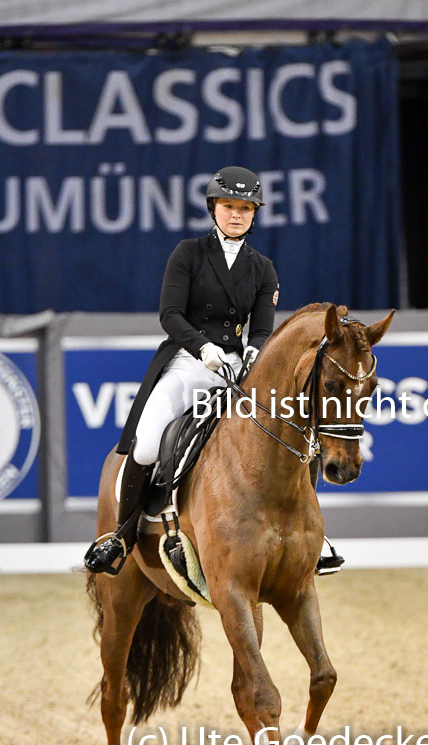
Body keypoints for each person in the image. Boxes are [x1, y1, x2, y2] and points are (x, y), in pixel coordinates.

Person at [84, 165, 343, 577]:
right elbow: (169, 313)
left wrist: (255, 354)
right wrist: (202, 347)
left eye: (245, 208)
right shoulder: (188, 254)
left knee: (295, 433)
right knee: (148, 442)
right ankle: (122, 535)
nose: (236, 215)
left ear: (254, 214)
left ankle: (312, 535)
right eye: (228, 206)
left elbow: (261, 328)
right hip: (189, 364)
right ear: (213, 209)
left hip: (239, 371)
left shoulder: (263, 268)